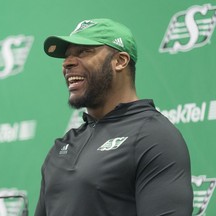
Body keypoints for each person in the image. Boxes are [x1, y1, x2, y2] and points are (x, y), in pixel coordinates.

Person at [35, 18, 193, 216]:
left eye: (84, 51)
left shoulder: (153, 136)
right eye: (67, 56)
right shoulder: (62, 145)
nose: (67, 63)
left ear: (120, 61)